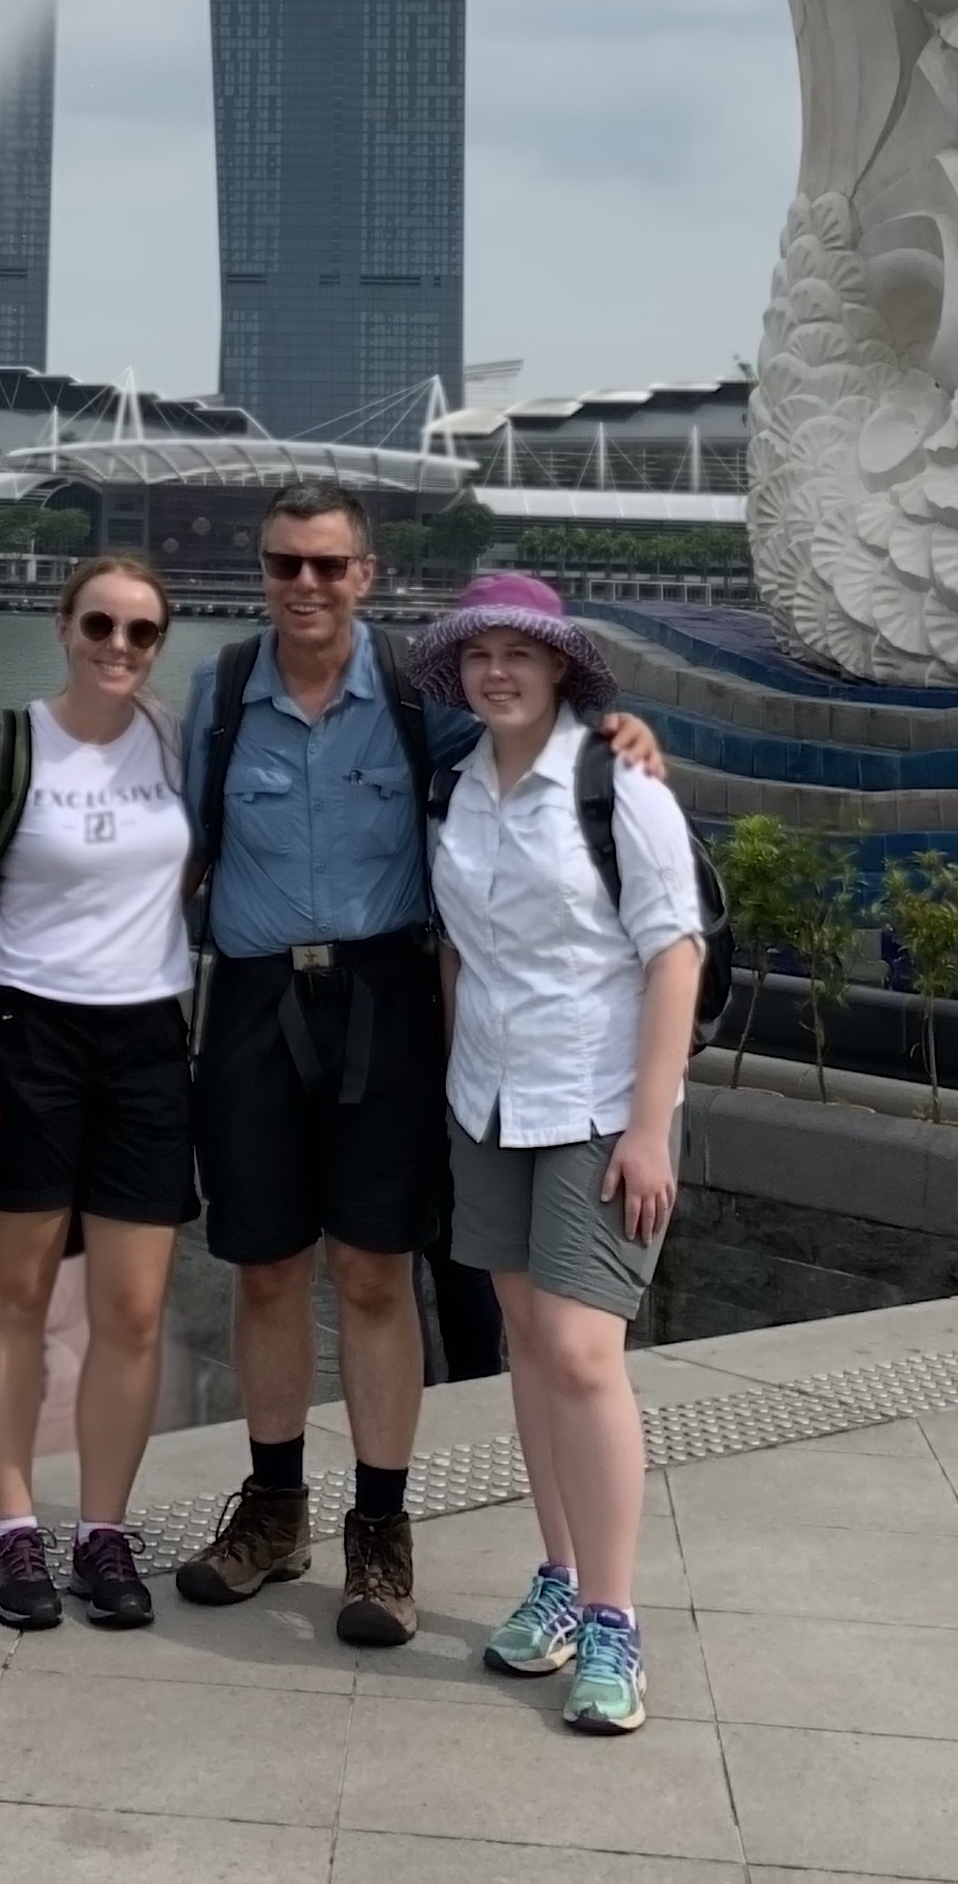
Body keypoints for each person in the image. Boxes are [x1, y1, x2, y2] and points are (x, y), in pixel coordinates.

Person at [173, 489, 664, 1650]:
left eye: (328, 565)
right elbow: (179, 844)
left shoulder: (412, 695)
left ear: (367, 573)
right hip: (250, 1000)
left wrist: (622, 731)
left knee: (376, 1268)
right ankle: (275, 1506)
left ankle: (381, 1530)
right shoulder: (219, 692)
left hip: (384, 998)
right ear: (261, 571)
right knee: (264, 1268)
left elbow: (522, 735)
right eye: (285, 563)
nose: (306, 584)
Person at [418, 576, 703, 1736]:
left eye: (521, 654)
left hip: (596, 1100)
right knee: (528, 1347)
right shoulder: (456, 787)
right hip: (489, 1099)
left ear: (560, 670)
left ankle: (615, 1616)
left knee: (585, 1354)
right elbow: (458, 952)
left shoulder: (616, 781)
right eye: (479, 653)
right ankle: (558, 1576)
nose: (498, 671)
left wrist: (650, 1126)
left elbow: (674, 954)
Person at [0, 552, 191, 1633]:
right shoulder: (5, 745)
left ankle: (104, 1530)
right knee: (18, 1296)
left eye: (141, 631)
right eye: (100, 625)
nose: (118, 647)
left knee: (132, 1307)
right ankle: (11, 1526)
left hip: (148, 1040)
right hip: (23, 1034)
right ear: (63, 627)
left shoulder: (179, 744)